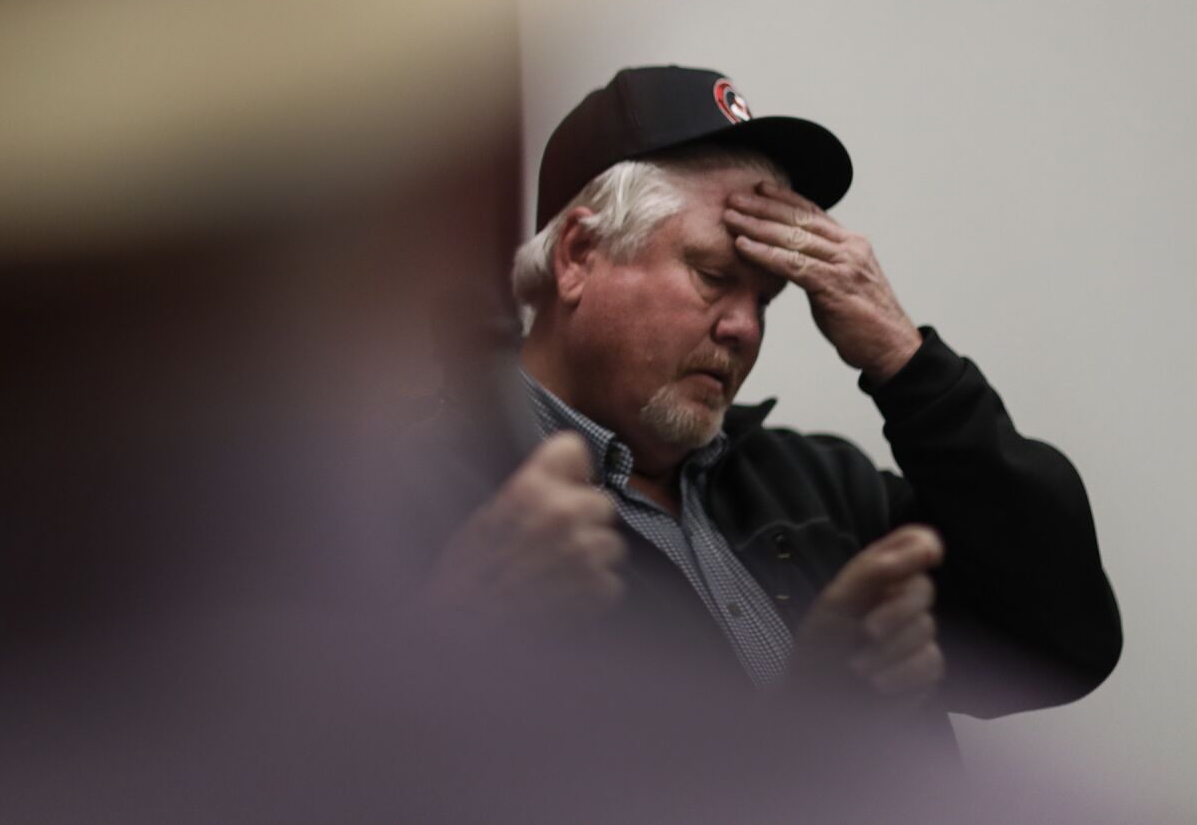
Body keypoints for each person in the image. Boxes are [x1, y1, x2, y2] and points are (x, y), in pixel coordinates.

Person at [424, 64, 1121, 736]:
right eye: (712, 274)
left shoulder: (822, 489)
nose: (745, 327)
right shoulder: (433, 499)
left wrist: (904, 360)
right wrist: (444, 644)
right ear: (578, 253)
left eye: (767, 297)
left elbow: (1060, 642)